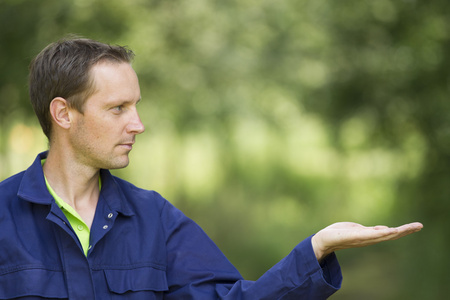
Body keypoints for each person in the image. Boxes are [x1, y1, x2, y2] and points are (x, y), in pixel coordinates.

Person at [0, 37, 423, 299]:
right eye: (117, 109)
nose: (138, 124)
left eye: (137, 106)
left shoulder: (155, 219)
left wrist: (316, 249)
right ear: (63, 114)